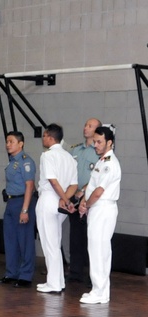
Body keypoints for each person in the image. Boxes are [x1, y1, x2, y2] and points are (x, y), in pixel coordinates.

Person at [77, 125, 120, 305]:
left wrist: (86, 204)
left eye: (99, 142)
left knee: (99, 250)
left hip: (103, 208)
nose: (96, 145)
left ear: (109, 142)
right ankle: (100, 290)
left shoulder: (110, 163)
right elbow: (91, 187)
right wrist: (84, 202)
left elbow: (99, 191)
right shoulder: (102, 161)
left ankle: (100, 291)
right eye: (95, 141)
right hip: (97, 208)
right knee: (96, 250)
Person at [34, 124, 78, 294]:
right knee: (55, 241)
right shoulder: (69, 157)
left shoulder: (48, 156)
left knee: (49, 243)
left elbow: (52, 181)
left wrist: (64, 199)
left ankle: (53, 283)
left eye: (44, 136)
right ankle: (58, 281)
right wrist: (66, 199)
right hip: (61, 202)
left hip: (50, 199)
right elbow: (74, 184)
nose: (43, 139)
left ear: (50, 137)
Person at [0, 131, 36, 287]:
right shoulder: (12, 161)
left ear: (21, 144)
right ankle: (11, 273)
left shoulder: (26, 162)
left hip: (22, 202)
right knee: (10, 240)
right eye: (7, 141)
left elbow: (30, 186)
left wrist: (25, 210)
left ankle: (25, 276)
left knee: (25, 240)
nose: (8, 144)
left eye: (11, 141)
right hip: (11, 203)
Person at [67, 118, 102, 287]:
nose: (85, 127)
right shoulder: (75, 150)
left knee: (91, 237)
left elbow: (98, 177)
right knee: (75, 236)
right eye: (85, 124)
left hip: (89, 199)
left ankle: (91, 275)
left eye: (90, 126)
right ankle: (75, 272)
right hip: (74, 197)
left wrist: (84, 193)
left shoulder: (98, 152)